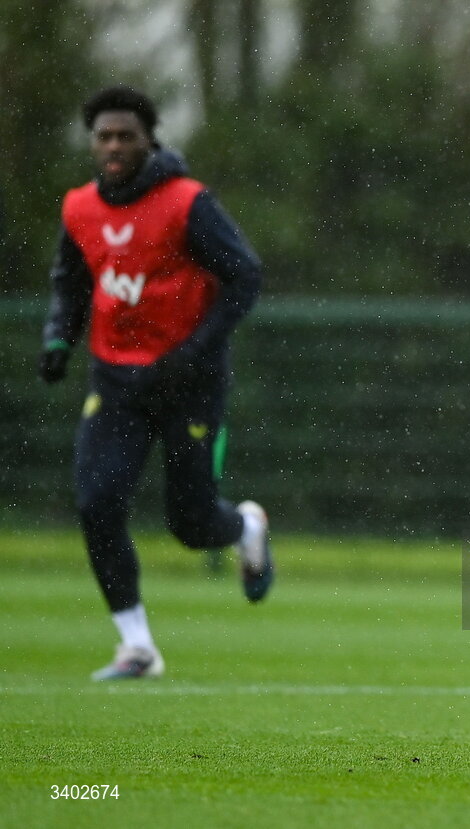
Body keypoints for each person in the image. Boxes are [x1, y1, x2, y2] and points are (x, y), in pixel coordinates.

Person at [39, 85, 274, 681]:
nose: (114, 145)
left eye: (126, 135)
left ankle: (246, 527)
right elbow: (71, 280)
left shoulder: (187, 202)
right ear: (93, 143)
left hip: (188, 384)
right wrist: (58, 338)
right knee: (97, 501)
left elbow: (245, 276)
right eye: (104, 136)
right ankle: (137, 646)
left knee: (191, 526)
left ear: (149, 140)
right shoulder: (79, 208)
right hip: (115, 380)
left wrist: (193, 352)